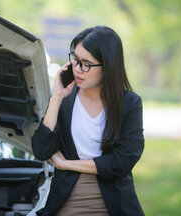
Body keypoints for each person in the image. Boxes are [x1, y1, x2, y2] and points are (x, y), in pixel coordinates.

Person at [31, 26, 145, 216]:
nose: (77, 69)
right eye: (75, 59)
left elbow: (122, 161)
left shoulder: (130, 103)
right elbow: (42, 150)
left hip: (114, 203)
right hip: (67, 200)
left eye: (86, 64)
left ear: (108, 66)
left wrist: (65, 164)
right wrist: (57, 97)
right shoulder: (65, 101)